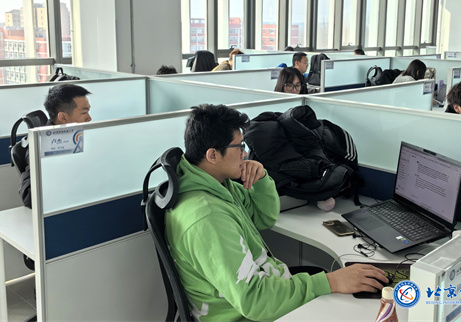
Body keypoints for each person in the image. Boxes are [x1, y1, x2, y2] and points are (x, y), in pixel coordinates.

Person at [164, 104, 388, 321]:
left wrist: (261, 178)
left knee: (348, 291)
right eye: (239, 147)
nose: (245, 154)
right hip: (248, 313)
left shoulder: (218, 185)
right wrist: (331, 282)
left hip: (265, 286)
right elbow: (254, 301)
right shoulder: (207, 217)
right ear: (213, 155)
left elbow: (264, 218)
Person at [19, 84, 92, 208]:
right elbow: (30, 197)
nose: (89, 118)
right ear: (63, 117)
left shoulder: (78, 137)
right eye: (84, 112)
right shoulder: (42, 147)